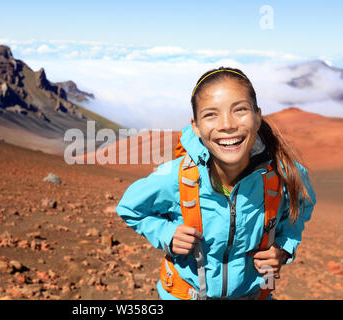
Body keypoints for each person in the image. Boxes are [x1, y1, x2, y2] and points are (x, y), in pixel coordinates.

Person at [115, 67, 316, 300]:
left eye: (240, 110)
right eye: (211, 114)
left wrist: (283, 248)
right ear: (196, 126)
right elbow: (129, 208)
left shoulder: (285, 175)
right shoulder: (175, 177)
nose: (227, 124)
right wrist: (167, 233)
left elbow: (300, 209)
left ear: (258, 116)